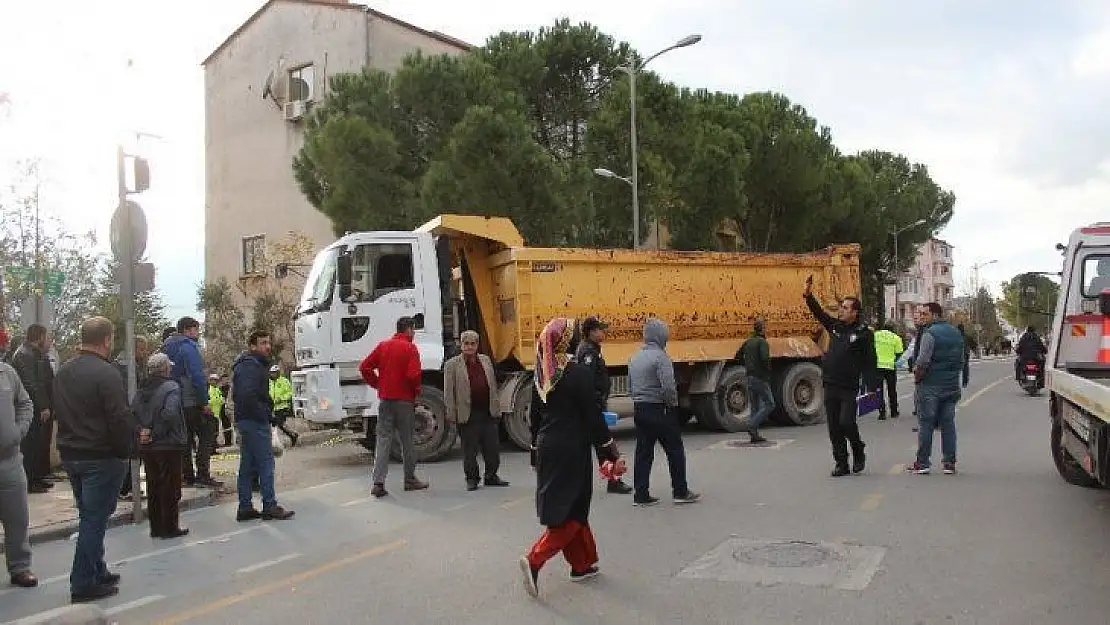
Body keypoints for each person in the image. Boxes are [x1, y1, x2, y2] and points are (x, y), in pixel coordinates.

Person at [519, 318, 625, 598]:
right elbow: (592, 418)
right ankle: (534, 560)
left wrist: (534, 451)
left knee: (569, 504)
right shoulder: (577, 374)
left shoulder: (542, 376)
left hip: (547, 447)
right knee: (573, 510)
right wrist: (609, 451)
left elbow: (535, 419)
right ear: (567, 341)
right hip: (570, 448)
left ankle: (582, 564)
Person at [54, 316, 133, 603]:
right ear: (107, 340)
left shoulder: (64, 372)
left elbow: (58, 410)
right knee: (94, 519)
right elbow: (118, 417)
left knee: (89, 515)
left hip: (72, 453)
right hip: (101, 455)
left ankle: (97, 569)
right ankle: (83, 582)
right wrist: (126, 450)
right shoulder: (107, 373)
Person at [803, 276, 878, 477]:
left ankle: (858, 449)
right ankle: (841, 463)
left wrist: (872, 386)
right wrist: (808, 295)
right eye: (841, 307)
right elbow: (819, 313)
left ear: (855, 312)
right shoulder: (835, 326)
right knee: (834, 427)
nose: (841, 310)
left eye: (845, 307)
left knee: (847, 422)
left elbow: (870, 361)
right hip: (830, 384)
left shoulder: (863, 333)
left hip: (849, 386)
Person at [628, 319, 700, 506]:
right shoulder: (661, 358)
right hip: (659, 409)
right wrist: (672, 406)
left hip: (640, 408)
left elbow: (630, 387)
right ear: (661, 337)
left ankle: (641, 495)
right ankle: (680, 491)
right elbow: (668, 387)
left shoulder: (634, 359)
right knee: (675, 450)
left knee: (643, 453)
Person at [359, 317, 429, 498]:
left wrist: (378, 384)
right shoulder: (410, 348)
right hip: (404, 401)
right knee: (407, 441)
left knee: (383, 440)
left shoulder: (383, 346)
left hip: (386, 400)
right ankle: (410, 479)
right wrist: (416, 392)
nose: (413, 334)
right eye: (413, 330)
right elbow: (413, 375)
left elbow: (364, 367)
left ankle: (378, 483)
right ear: (409, 330)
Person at [232, 330, 294, 522]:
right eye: (262, 343)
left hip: (246, 419)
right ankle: (269, 505)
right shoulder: (251, 366)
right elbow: (249, 395)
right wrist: (265, 414)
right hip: (254, 420)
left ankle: (245, 507)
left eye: (268, 342)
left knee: (248, 464)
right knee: (266, 463)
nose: (267, 346)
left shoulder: (248, 365)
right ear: (252, 346)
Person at [443, 330, 508, 491]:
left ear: (477, 345)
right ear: (461, 345)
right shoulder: (452, 365)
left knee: (492, 449)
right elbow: (448, 392)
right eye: (466, 344)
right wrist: (451, 413)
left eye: (473, 344)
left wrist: (496, 407)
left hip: (487, 412)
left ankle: (491, 476)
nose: (469, 347)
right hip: (468, 414)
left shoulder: (485, 360)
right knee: (469, 451)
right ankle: (472, 479)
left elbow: (492, 384)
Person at [575, 316, 632, 494]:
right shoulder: (588, 352)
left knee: (601, 446)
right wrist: (596, 403)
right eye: (600, 329)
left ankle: (612, 480)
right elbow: (588, 381)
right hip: (593, 407)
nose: (603, 332)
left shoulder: (593, 349)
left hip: (595, 406)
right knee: (605, 445)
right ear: (591, 332)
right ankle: (613, 480)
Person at [134, 353, 189, 539]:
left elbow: (133, 413)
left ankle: (156, 527)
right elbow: (171, 413)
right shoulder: (171, 387)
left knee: (154, 486)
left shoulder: (141, 390)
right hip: (168, 444)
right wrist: (155, 432)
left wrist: (143, 432)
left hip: (147, 446)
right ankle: (170, 527)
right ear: (165, 369)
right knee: (171, 487)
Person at [909, 302, 967, 475]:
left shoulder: (929, 333)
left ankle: (923, 463)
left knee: (926, 424)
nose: (922, 318)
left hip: (930, 385)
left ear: (934, 315)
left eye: (925, 314)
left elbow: (923, 361)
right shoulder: (956, 332)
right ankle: (949, 463)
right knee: (948, 424)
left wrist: (917, 377)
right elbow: (962, 359)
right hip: (951, 385)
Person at [163, 317, 220, 488]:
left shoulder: (166, 348)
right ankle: (203, 474)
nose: (198, 333)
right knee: (207, 432)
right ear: (188, 330)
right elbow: (197, 376)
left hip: (174, 401)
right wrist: (204, 402)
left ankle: (187, 475)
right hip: (191, 401)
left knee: (185, 440)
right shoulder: (188, 347)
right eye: (196, 330)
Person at [1, 357, 38, 588]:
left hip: (9, 461)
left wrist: (18, 430)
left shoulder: (6, 373)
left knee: (17, 519)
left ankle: (20, 567)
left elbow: (25, 404)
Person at [11, 324, 55, 495]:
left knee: (38, 444)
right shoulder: (23, 355)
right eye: (45, 336)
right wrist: (43, 405)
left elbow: (44, 380)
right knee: (30, 446)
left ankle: (37, 477)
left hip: (37, 407)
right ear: (39, 337)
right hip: (30, 408)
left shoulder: (35, 354)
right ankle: (30, 481)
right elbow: (31, 383)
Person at [117, 336, 151, 501]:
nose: (144, 353)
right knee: (130, 452)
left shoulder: (137, 365)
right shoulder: (124, 367)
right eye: (141, 349)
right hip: (128, 415)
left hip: (134, 414)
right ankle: (125, 488)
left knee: (135, 452)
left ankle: (130, 486)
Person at [736, 320, 773, 444]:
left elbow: (737, 356)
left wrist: (748, 366)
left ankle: (754, 435)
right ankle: (752, 425)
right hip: (760, 377)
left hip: (749, 377)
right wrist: (767, 372)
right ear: (762, 329)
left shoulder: (748, 341)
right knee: (770, 404)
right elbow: (765, 358)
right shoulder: (762, 342)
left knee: (754, 406)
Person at [873, 324, 904, 420]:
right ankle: (894, 411)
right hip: (890, 366)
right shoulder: (896, 338)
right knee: (892, 390)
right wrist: (894, 360)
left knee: (879, 390)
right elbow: (899, 353)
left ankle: (882, 413)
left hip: (878, 366)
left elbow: (871, 348)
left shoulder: (875, 335)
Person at [268, 365, 298, 447]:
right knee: (277, 424)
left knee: (280, 423)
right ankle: (292, 434)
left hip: (282, 406)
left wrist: (281, 398)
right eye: (271, 373)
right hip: (272, 407)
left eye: (274, 373)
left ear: (278, 373)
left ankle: (292, 435)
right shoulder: (269, 382)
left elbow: (290, 393)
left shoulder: (284, 381)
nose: (272, 375)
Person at [207, 374, 225, 454]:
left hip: (217, 414)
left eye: (216, 380)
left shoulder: (217, 389)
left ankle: (213, 449)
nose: (215, 381)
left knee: (215, 432)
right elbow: (208, 401)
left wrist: (219, 401)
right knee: (211, 433)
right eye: (213, 380)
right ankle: (211, 449)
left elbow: (222, 399)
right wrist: (217, 401)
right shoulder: (209, 390)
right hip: (210, 414)